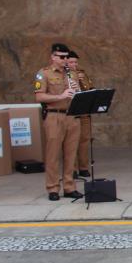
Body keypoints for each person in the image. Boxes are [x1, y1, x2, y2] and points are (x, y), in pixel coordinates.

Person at [34, 43, 83, 201]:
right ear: (53, 57)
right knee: (53, 154)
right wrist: (60, 96)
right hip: (55, 116)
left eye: (67, 57)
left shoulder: (72, 73)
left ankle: (69, 186)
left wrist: (77, 92)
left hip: (71, 116)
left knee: (71, 154)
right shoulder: (44, 74)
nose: (65, 60)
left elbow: (79, 95)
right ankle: (53, 188)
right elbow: (39, 97)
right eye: (62, 57)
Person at [66, 50, 95, 177]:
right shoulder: (63, 74)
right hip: (70, 111)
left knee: (84, 139)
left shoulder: (82, 73)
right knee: (71, 141)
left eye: (75, 62)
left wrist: (82, 81)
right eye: (71, 62)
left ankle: (83, 167)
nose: (74, 64)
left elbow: (89, 89)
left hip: (83, 111)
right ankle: (72, 169)